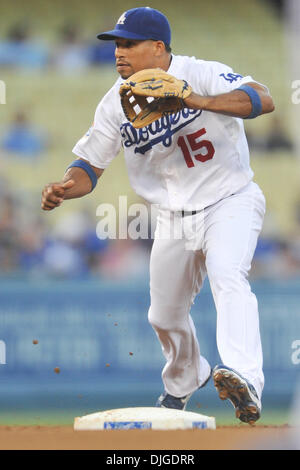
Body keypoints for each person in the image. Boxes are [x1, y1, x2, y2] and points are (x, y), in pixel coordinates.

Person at [41, 7, 275, 424]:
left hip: (230, 200)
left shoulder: (198, 73)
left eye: (129, 43)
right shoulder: (115, 101)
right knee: (163, 315)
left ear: (158, 47)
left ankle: (246, 377)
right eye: (116, 44)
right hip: (173, 217)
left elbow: (263, 99)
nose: (119, 52)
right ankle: (184, 380)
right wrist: (65, 185)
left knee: (227, 275)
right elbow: (89, 167)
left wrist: (194, 99)